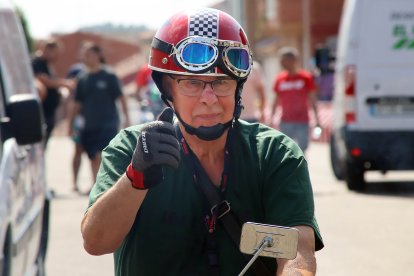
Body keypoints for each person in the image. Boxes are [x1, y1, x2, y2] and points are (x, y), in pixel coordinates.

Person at [81, 8, 323, 276]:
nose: (209, 98)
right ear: (167, 90)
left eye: (221, 83)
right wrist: (135, 179)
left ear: (238, 88)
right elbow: (96, 241)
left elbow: (298, 249)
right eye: (192, 83)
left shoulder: (274, 155)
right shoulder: (129, 148)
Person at [68, 43, 130, 190]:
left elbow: (121, 98)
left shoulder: (109, 76)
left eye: (89, 54)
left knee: (101, 155)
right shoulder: (82, 78)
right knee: (92, 157)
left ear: (98, 55)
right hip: (89, 125)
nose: (86, 57)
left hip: (108, 124)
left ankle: (101, 186)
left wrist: (127, 119)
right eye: (85, 54)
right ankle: (97, 184)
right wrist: (71, 124)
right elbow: (76, 103)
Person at [271, 47, 320, 154]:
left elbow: (313, 99)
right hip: (285, 122)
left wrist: (317, 119)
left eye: (284, 60)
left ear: (293, 60)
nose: (281, 63)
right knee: (285, 151)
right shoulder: (280, 79)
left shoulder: (305, 77)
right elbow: (275, 100)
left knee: (301, 151)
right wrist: (271, 117)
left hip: (302, 122)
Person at [32, 39, 75, 146]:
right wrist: (66, 84)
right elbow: (44, 80)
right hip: (41, 112)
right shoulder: (37, 62)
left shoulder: (47, 64)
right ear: (47, 49)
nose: (56, 56)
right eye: (55, 52)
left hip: (49, 112)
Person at [66, 62, 86, 192]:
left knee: (96, 155)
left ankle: (95, 183)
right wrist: (70, 124)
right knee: (78, 150)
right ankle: (74, 182)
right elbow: (72, 103)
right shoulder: (76, 70)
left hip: (94, 120)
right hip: (79, 120)